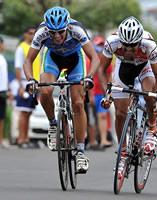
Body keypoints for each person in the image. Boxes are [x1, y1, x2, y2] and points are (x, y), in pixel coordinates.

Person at [23, 6, 100, 173]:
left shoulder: (77, 29)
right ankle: (53, 124)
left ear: (67, 27)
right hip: (53, 59)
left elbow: (94, 58)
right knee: (45, 91)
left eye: (61, 32)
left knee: (78, 103)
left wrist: (89, 77)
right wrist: (30, 80)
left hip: (75, 60)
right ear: (47, 30)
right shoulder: (41, 32)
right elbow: (28, 60)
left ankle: (80, 151)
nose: (57, 36)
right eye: (52, 33)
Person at [99, 16, 157, 178]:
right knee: (120, 114)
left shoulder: (149, 45)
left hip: (144, 67)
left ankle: (152, 128)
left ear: (139, 41)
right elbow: (101, 71)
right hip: (123, 69)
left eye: (133, 45)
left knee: (149, 95)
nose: (129, 49)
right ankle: (123, 153)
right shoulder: (112, 42)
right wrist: (107, 93)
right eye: (125, 45)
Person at [13, 26, 41, 148]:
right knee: (23, 112)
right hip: (25, 83)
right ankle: (21, 139)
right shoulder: (21, 48)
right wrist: (19, 86)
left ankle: (26, 138)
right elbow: (18, 68)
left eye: (34, 33)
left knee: (29, 112)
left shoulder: (36, 48)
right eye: (30, 33)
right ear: (25, 34)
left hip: (36, 84)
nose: (32, 35)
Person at [0, 36, 9, 148]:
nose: (4, 46)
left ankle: (1, 139)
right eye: (2, 44)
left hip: (3, 90)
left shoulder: (2, 58)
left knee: (1, 117)